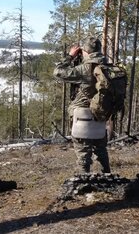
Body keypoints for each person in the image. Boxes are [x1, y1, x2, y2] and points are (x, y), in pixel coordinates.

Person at [53, 37, 111, 174]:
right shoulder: (107, 67)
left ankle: (83, 184)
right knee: (101, 151)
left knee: (83, 155)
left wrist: (70, 56)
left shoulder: (84, 69)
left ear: (85, 52)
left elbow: (58, 72)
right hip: (100, 116)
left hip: (82, 117)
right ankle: (109, 179)